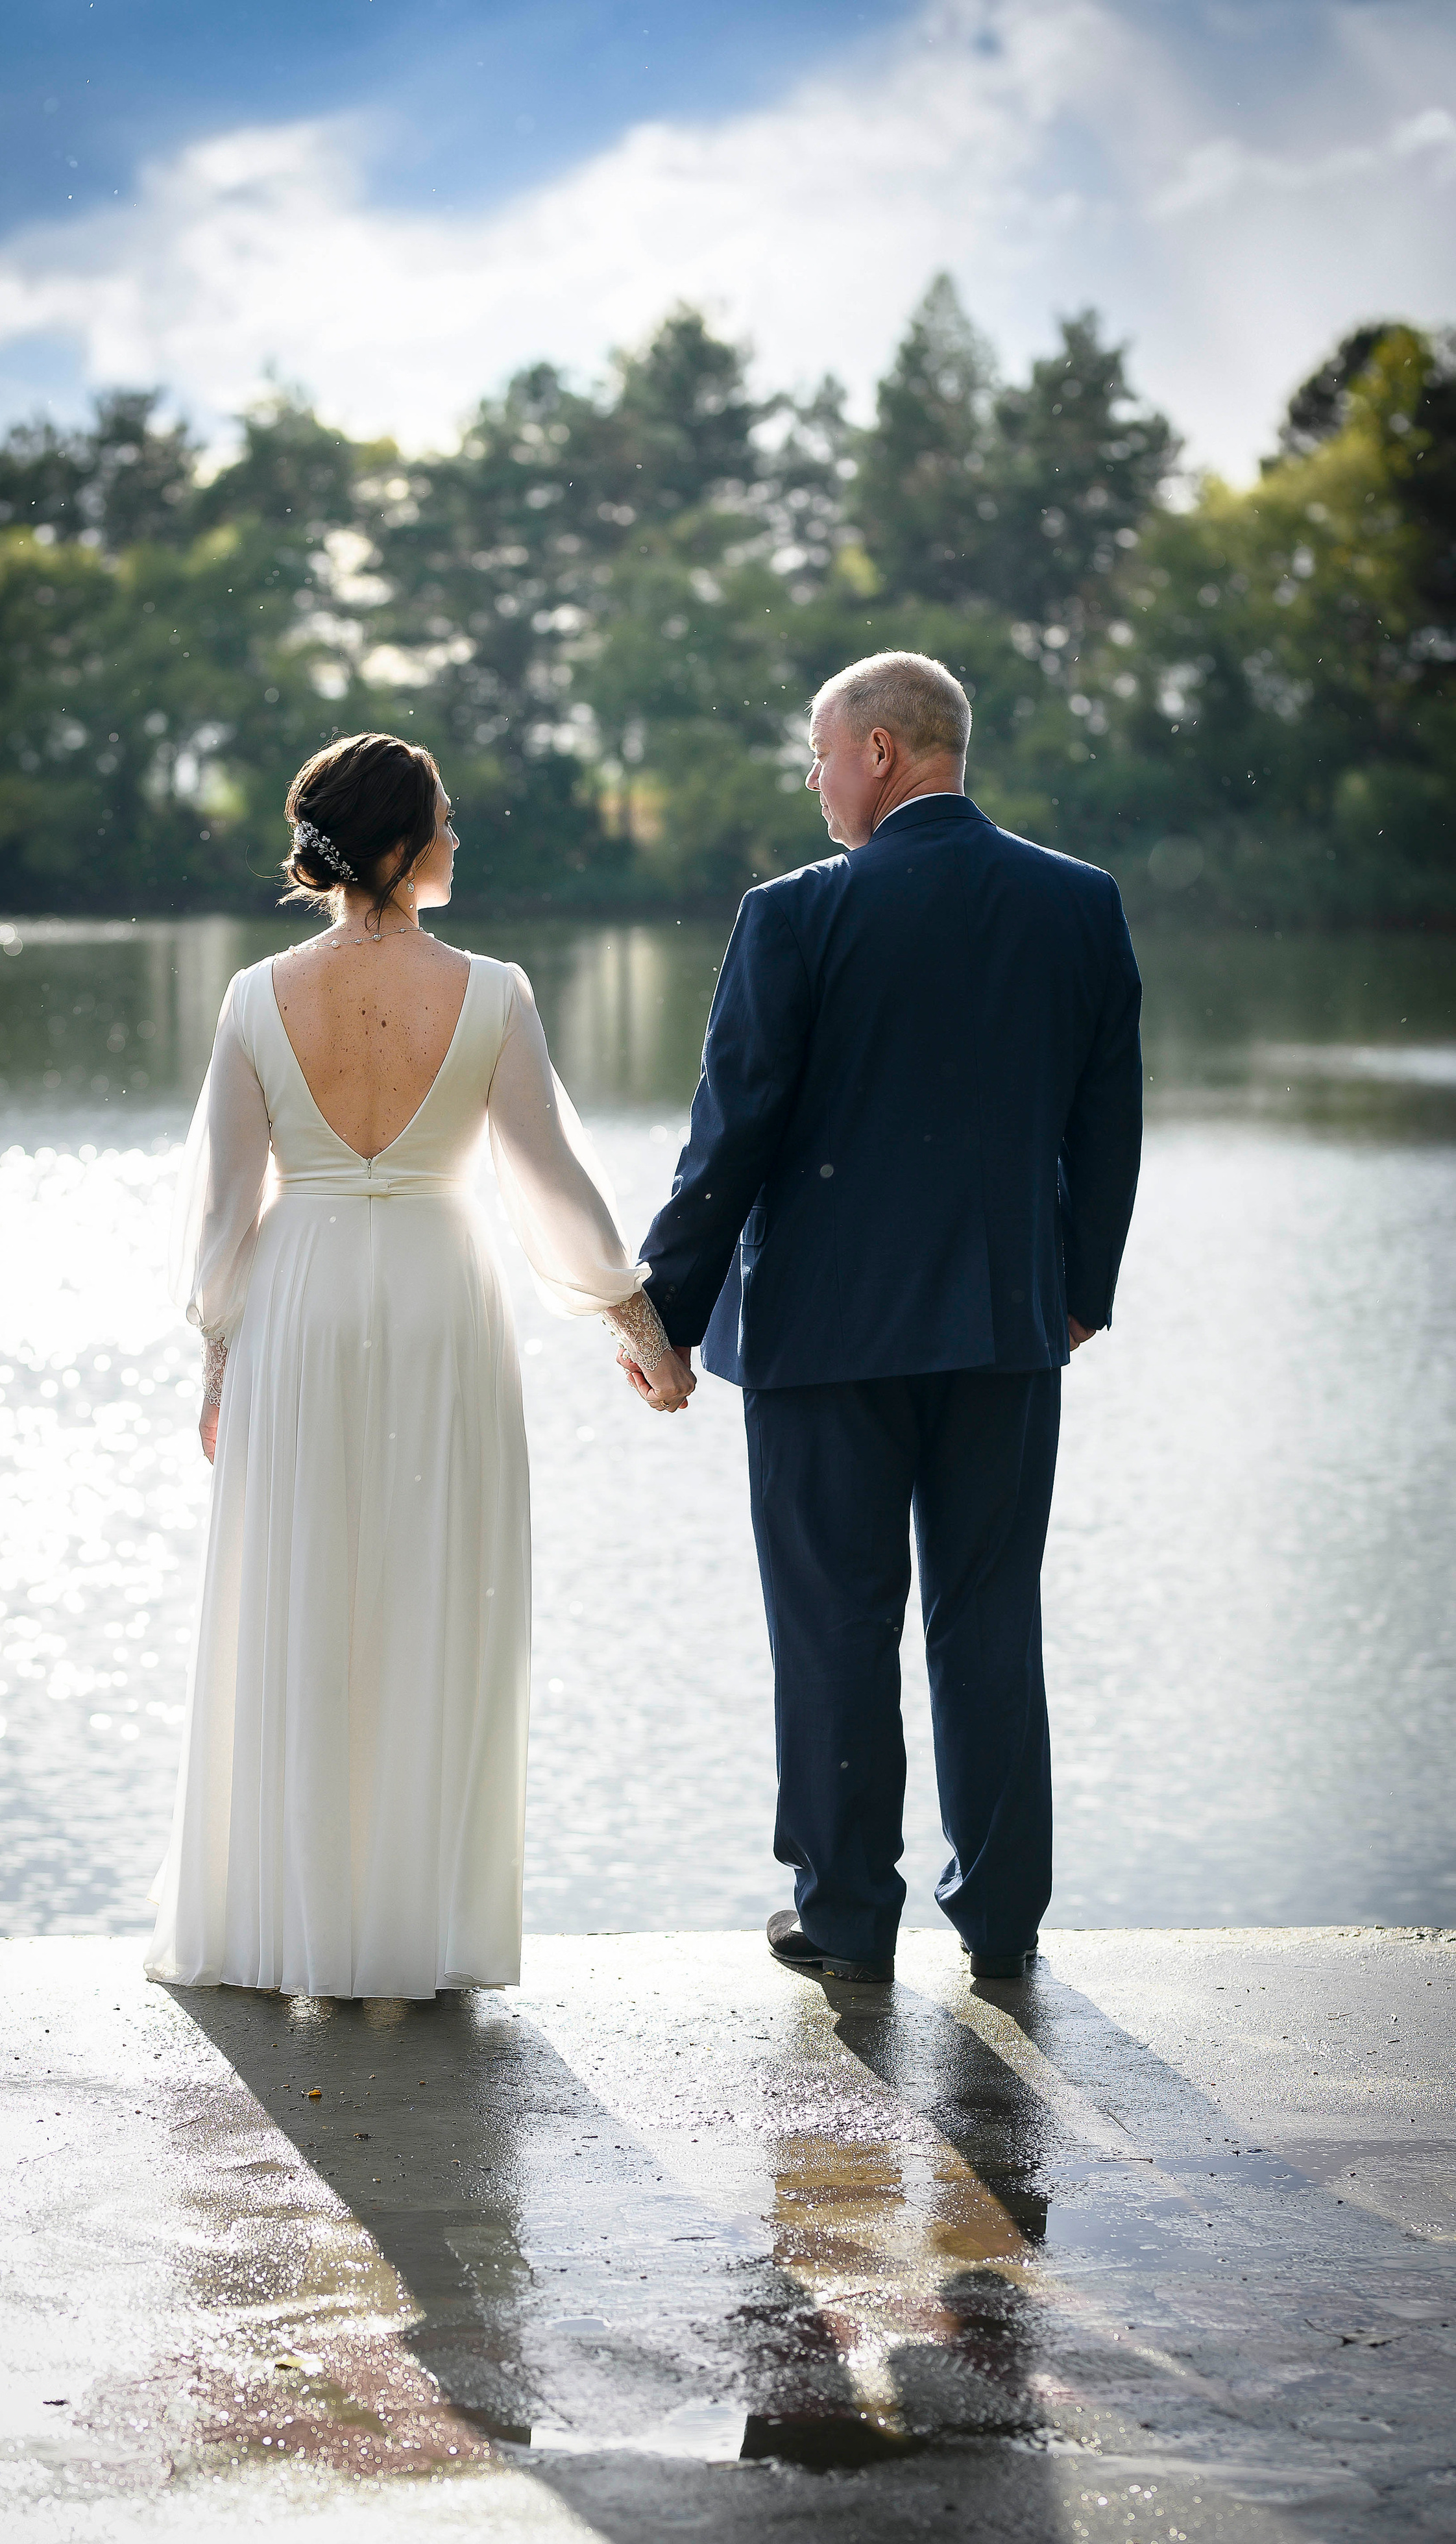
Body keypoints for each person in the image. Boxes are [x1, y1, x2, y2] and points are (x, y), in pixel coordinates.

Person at [145, 732, 690, 2001]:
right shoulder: (492, 992)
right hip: (442, 1296)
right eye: (441, 820)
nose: (456, 838)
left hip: (301, 1300)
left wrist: (219, 1355)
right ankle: (412, 1934)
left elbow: (224, 1212)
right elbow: (551, 1184)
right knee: (437, 1598)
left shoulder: (252, 997)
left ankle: (287, 1926)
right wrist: (641, 1332)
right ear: (395, 844)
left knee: (298, 1599)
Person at [627, 652, 1143, 1985]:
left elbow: (728, 1136)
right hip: (1003, 1326)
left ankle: (848, 1916)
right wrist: (1078, 1289)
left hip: (820, 1336)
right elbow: (1107, 1122)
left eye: (818, 754)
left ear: (876, 752)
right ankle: (1002, 1916)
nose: (811, 781)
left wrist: (663, 1311)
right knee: (987, 1613)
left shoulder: (793, 916)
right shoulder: (1076, 903)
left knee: (835, 1623)